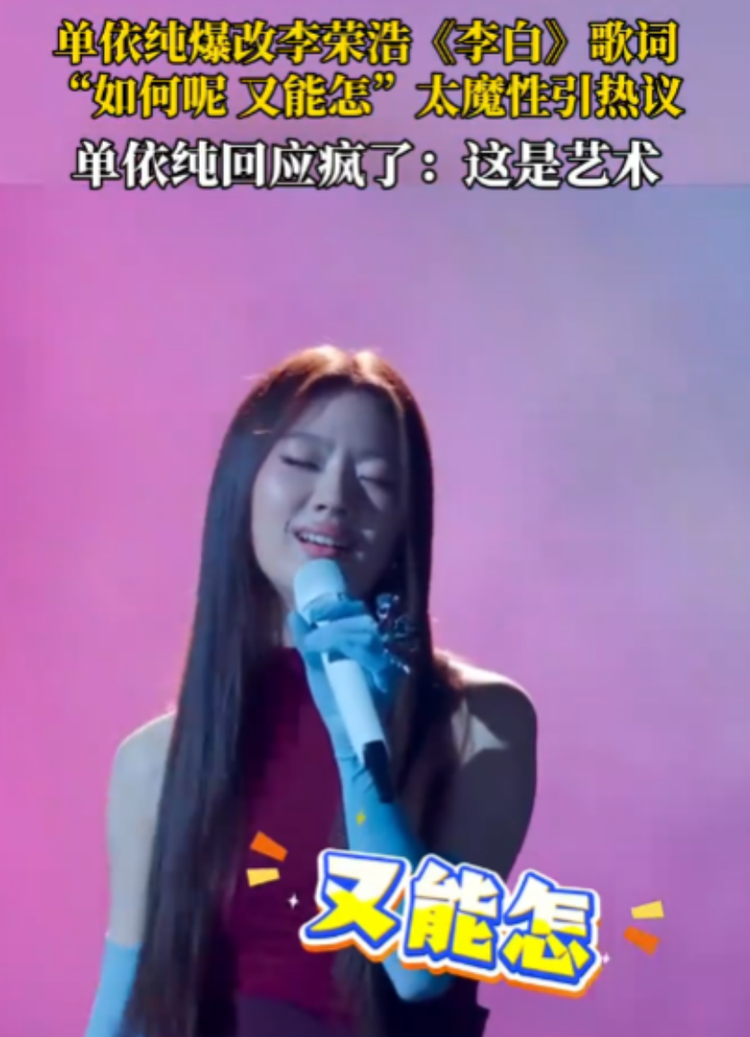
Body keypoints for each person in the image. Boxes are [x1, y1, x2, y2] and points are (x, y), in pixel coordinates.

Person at [84, 346, 537, 1037]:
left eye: (375, 478)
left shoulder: (480, 723)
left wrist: (362, 757)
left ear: (405, 523)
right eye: (301, 461)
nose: (334, 497)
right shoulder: (157, 761)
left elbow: (420, 970)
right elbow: (124, 1011)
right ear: (243, 484)